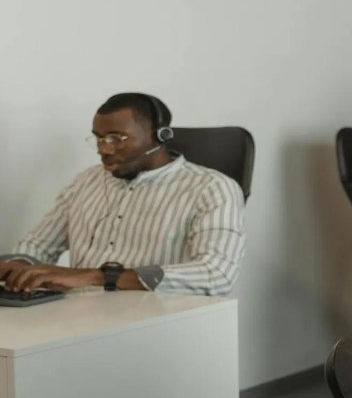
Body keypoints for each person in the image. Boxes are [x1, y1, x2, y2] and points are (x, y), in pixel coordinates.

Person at [0, 93, 245, 296]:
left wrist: (95, 277)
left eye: (117, 138)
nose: (103, 149)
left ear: (160, 136)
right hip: (74, 320)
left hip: (154, 325)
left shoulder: (212, 188)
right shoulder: (87, 181)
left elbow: (216, 274)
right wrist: (19, 267)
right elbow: (37, 246)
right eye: (98, 139)